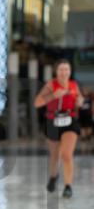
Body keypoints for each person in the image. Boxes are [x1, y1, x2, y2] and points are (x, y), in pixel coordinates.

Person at [34, 59, 83, 198]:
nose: (64, 72)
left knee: (66, 154)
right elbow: (37, 103)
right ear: (56, 71)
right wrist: (53, 96)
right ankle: (53, 176)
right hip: (53, 122)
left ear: (70, 71)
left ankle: (68, 186)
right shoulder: (51, 85)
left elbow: (80, 99)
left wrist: (79, 101)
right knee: (55, 155)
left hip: (69, 121)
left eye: (66, 69)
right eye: (61, 69)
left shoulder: (73, 85)